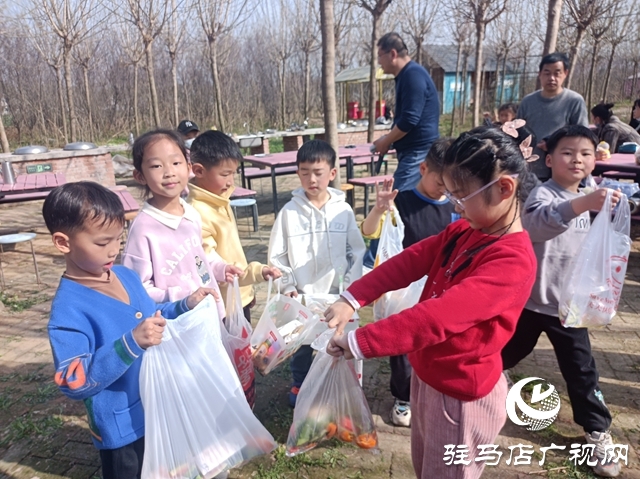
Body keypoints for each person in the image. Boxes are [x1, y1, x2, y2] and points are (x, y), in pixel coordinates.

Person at [324, 126, 537, 479]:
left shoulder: (512, 262)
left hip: (458, 395)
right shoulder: (465, 231)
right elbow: (410, 261)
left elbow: (437, 317)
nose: (454, 206)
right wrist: (354, 296)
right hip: (428, 376)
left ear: (503, 189)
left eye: (461, 197)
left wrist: (360, 342)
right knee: (427, 467)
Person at [44, 182, 217, 479]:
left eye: (119, 240)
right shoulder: (68, 312)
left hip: (159, 407)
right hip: (122, 430)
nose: (113, 250)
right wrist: (130, 343)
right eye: (101, 243)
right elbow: (73, 380)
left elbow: (151, 317)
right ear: (63, 242)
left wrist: (183, 305)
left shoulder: (124, 275)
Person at [502, 125, 623, 478]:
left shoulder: (593, 196)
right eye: (568, 153)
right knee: (500, 355)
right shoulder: (542, 195)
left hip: (569, 310)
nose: (577, 159)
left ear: (594, 161)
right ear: (550, 159)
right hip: (529, 303)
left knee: (582, 372)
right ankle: (476, 390)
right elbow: (537, 226)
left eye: (585, 153)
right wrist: (582, 203)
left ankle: (597, 432)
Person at [361, 139, 458, 427]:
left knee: (438, 340)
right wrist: (380, 209)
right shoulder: (400, 201)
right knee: (404, 342)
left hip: (442, 287)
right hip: (407, 288)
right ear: (423, 168)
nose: (444, 189)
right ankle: (403, 396)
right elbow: (369, 233)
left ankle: (433, 388)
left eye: (450, 184)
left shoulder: (456, 206)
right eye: (439, 181)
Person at [268, 139, 366, 407]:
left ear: (332, 174)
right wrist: (288, 285)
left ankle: (335, 386)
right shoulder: (289, 213)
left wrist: (350, 290)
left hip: (337, 295)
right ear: (297, 173)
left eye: (318, 172)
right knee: (301, 343)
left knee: (336, 340)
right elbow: (277, 254)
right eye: (305, 172)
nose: (312, 179)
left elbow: (355, 251)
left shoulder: (342, 211)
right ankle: (300, 383)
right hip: (302, 295)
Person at [122, 129, 243, 323]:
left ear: (188, 168)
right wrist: (181, 296)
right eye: (156, 166)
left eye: (176, 163)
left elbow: (198, 259)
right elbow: (136, 290)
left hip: (210, 316)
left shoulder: (191, 215)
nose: (169, 173)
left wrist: (220, 268)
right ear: (140, 176)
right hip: (177, 325)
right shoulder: (143, 228)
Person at [187, 130, 281, 319]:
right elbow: (212, 267)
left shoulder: (221, 199)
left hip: (238, 295)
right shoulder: (196, 214)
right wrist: (254, 273)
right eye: (225, 174)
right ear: (198, 171)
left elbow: (231, 252)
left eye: (233, 173)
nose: (231, 182)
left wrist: (246, 293)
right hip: (222, 306)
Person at [372, 32, 439, 192]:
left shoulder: (412, 75)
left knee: (398, 200)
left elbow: (409, 120)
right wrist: (388, 139)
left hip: (418, 153)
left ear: (393, 54)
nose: (379, 62)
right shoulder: (407, 75)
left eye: (380, 56)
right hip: (415, 151)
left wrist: (387, 141)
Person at [517, 52, 588, 181]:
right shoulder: (527, 102)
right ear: (539, 74)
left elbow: (582, 137)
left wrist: (554, 144)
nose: (552, 78)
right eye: (547, 73)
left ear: (565, 74)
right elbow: (517, 133)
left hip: (563, 170)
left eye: (557, 73)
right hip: (531, 170)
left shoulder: (574, 101)